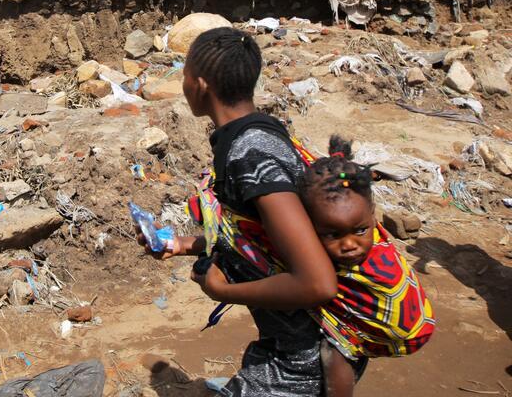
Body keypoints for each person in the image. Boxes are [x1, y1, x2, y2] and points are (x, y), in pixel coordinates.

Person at [142, 27, 339, 396]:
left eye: (183, 74)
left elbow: (318, 283)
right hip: (287, 345)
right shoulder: (253, 136)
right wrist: (184, 244)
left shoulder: (251, 154)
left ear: (200, 85)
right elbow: (264, 238)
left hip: (305, 358)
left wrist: (223, 291)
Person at [298, 136, 435, 397]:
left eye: (360, 230)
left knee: (335, 350)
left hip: (407, 326)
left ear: (373, 215)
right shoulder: (356, 220)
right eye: (332, 234)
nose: (350, 244)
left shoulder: (373, 253)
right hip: (408, 324)